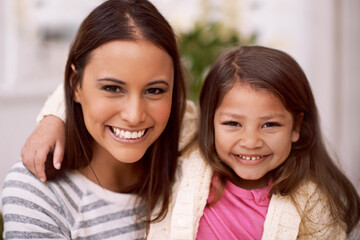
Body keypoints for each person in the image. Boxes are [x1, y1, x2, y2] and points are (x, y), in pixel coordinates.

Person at [1, 0, 199, 238]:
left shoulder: (192, 175)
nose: (134, 116)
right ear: (75, 86)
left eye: (154, 90)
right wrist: (55, 114)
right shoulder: (39, 192)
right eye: (113, 88)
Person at [151, 45, 360, 239]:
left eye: (269, 125)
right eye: (233, 123)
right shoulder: (191, 149)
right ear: (210, 122)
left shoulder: (314, 203)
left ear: (295, 127)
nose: (251, 142)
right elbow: (155, 108)